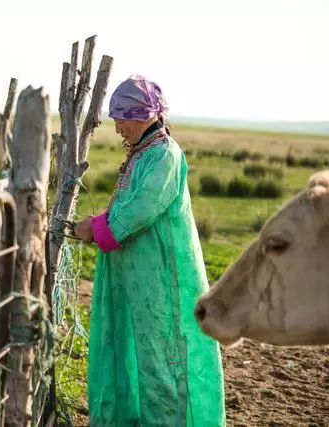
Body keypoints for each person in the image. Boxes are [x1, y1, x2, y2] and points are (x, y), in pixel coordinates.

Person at [73, 75, 226, 426]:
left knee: (162, 359)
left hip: (160, 277)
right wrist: (96, 224)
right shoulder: (144, 153)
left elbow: (142, 207)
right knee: (136, 351)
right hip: (137, 276)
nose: (118, 129)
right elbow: (126, 207)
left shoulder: (164, 155)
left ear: (143, 115)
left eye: (121, 119)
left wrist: (97, 229)